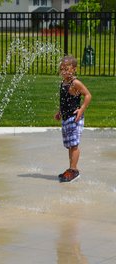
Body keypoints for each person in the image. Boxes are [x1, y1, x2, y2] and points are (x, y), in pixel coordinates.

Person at [54, 55, 92, 183]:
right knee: (70, 145)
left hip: (75, 118)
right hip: (66, 118)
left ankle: (74, 169)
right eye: (62, 69)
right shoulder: (63, 83)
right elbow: (64, 101)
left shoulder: (75, 83)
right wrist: (60, 112)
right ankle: (71, 169)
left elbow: (88, 95)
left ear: (74, 69)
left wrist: (81, 110)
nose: (64, 71)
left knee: (74, 145)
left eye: (67, 69)